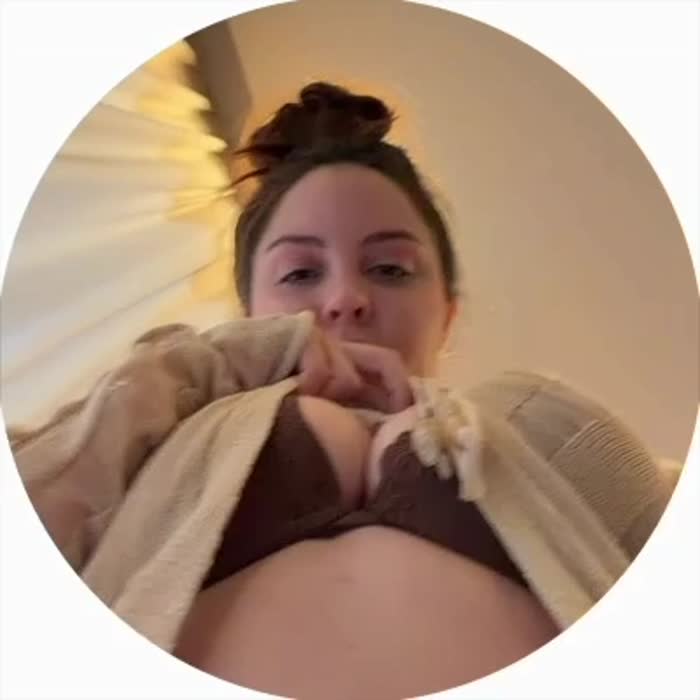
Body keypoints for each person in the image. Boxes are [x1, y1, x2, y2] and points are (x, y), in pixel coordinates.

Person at [8, 83, 677, 700]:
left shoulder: (538, 418)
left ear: (447, 313)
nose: (346, 298)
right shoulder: (169, 418)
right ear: (249, 314)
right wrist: (226, 361)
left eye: (390, 268)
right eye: (300, 274)